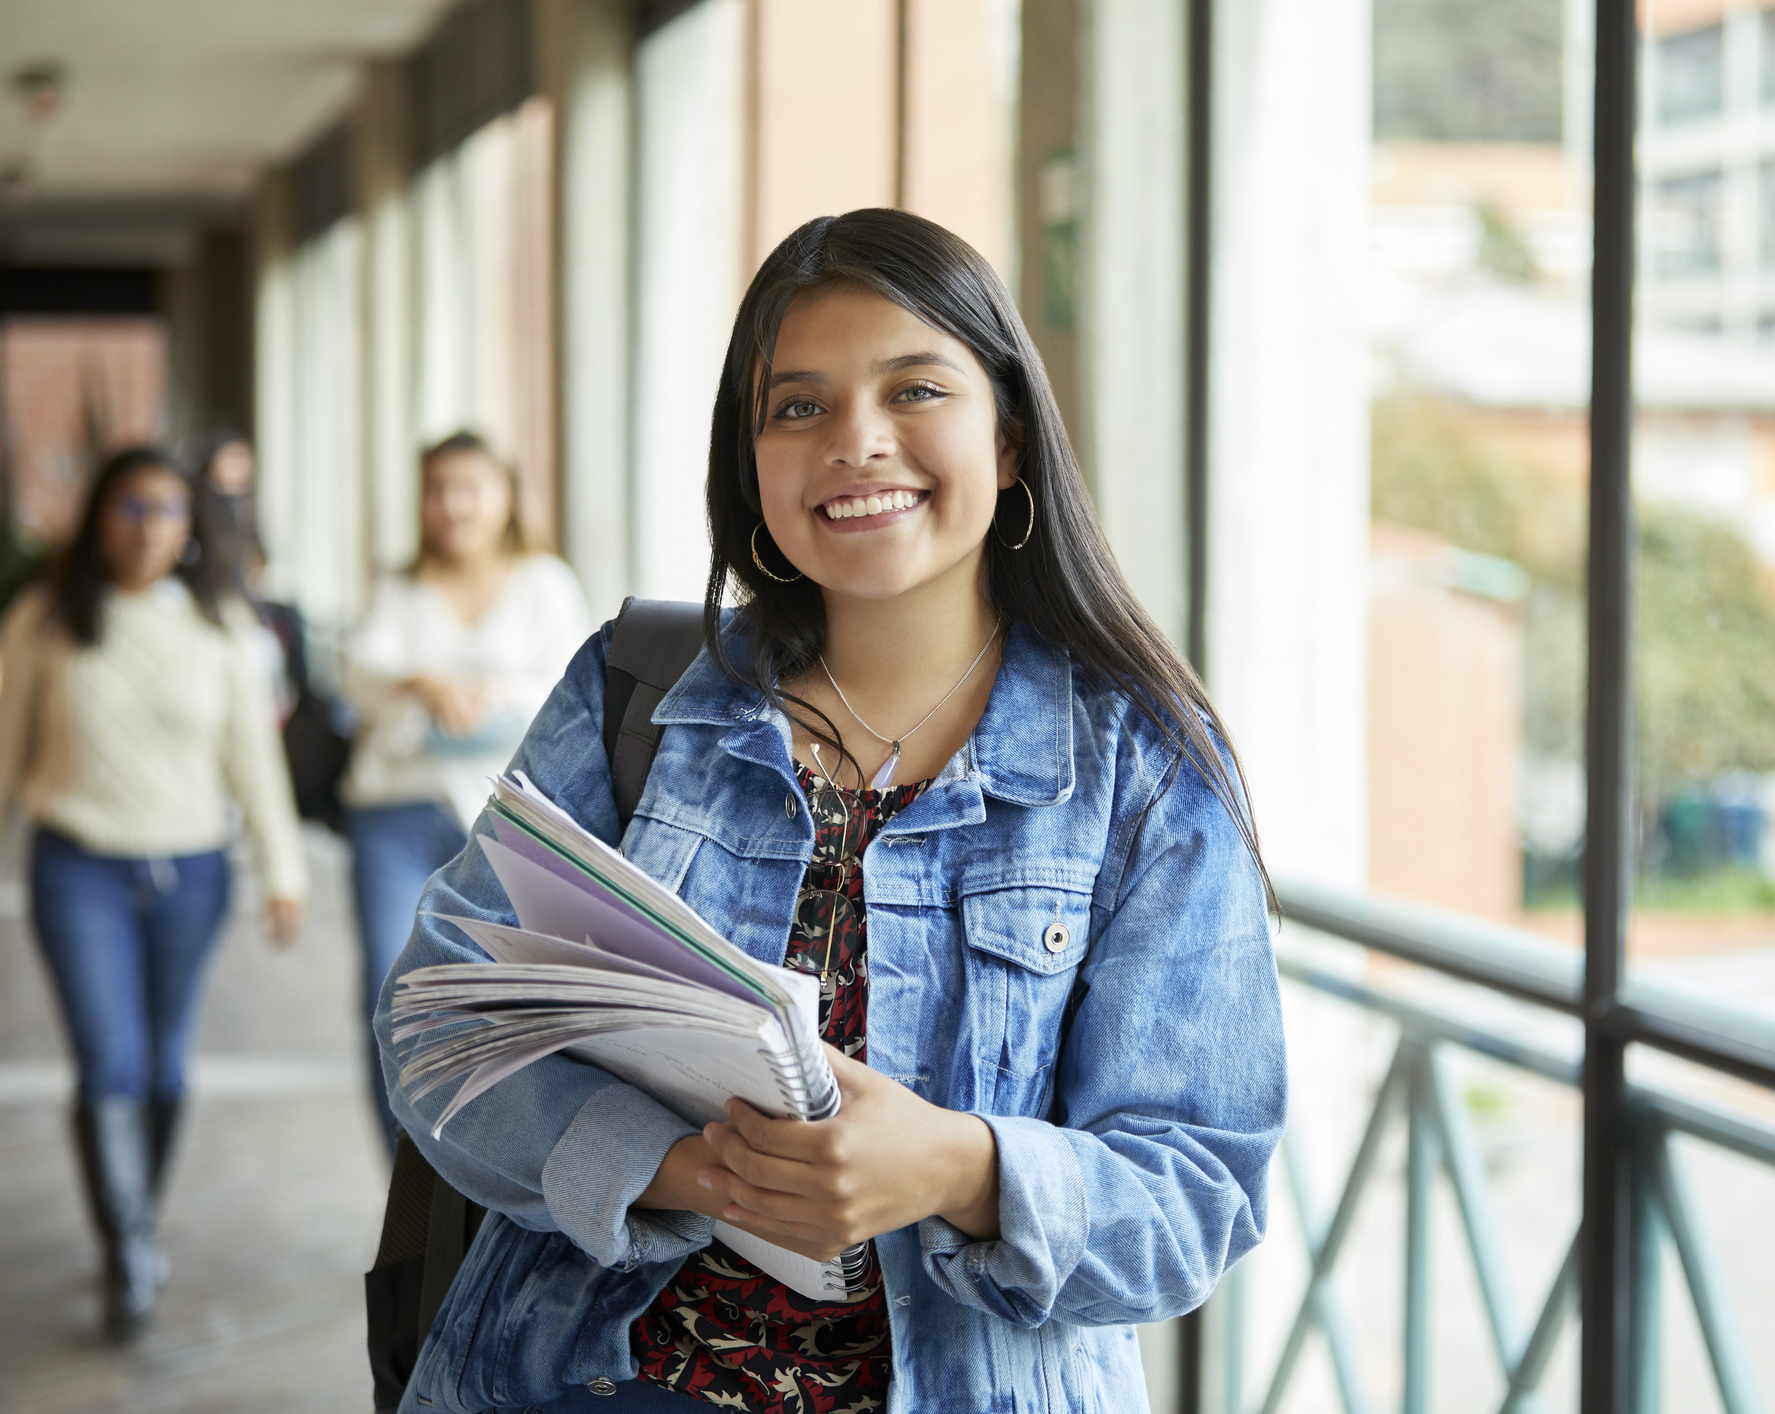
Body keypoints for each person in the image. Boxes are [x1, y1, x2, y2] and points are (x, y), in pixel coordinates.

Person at [375, 209, 1286, 1414]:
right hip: (600, 1380)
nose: (856, 442)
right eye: (797, 407)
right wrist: (682, 1169)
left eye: (915, 389)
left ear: (1009, 436)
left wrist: (961, 1168)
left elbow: (1200, 1186)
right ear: (750, 460)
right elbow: (439, 1018)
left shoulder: (1147, 765)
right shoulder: (637, 692)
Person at [0, 445, 307, 1341]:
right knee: (110, 1065)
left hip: (192, 873)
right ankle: (129, 1243)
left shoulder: (220, 629)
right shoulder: (47, 618)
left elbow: (253, 758)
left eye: (166, 511)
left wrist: (282, 871)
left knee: (166, 1069)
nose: (147, 528)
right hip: (77, 867)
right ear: (100, 517)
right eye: (130, 508)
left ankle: (137, 1216)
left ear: (191, 528)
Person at [341, 432, 589, 1145]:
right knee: (390, 996)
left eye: (469, 488)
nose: (452, 506)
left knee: (498, 999)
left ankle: (477, 1174)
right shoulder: (397, 586)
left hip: (503, 818)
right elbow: (357, 676)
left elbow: (571, 690)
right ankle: (405, 1181)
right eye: (436, 489)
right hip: (394, 814)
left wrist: (477, 693)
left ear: (505, 496)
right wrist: (421, 682)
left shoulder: (544, 583)